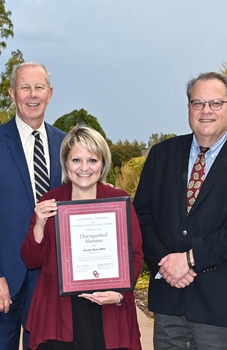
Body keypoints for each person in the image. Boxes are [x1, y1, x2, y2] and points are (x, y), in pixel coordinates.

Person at [0, 62, 66, 349]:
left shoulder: (65, 145)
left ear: (50, 93)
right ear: (12, 93)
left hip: (50, 278)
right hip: (2, 277)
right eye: (25, 87)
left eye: (39, 87)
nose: (32, 95)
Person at [21, 124, 143, 350]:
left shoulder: (118, 200)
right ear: (66, 163)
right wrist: (39, 224)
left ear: (103, 163)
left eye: (92, 160)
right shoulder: (50, 201)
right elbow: (32, 261)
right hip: (59, 312)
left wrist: (118, 294)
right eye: (76, 160)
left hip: (107, 308)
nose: (84, 168)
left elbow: (134, 253)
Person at [133, 72, 227, 349]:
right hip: (169, 300)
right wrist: (165, 261)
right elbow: (143, 216)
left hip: (219, 306)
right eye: (198, 103)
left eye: (216, 103)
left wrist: (190, 258)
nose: (206, 110)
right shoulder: (162, 154)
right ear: (188, 108)